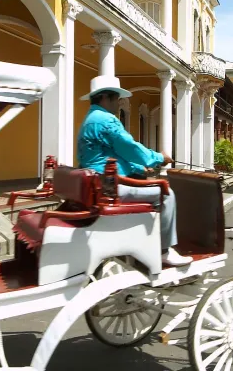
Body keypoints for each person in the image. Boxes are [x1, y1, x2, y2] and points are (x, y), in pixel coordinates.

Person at [77, 76, 192, 266]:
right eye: (117, 99)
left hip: (98, 183)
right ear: (106, 98)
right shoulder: (106, 120)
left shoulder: (90, 118)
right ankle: (164, 250)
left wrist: (141, 168)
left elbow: (113, 156)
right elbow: (129, 147)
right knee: (167, 194)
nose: (119, 103)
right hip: (109, 188)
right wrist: (158, 158)